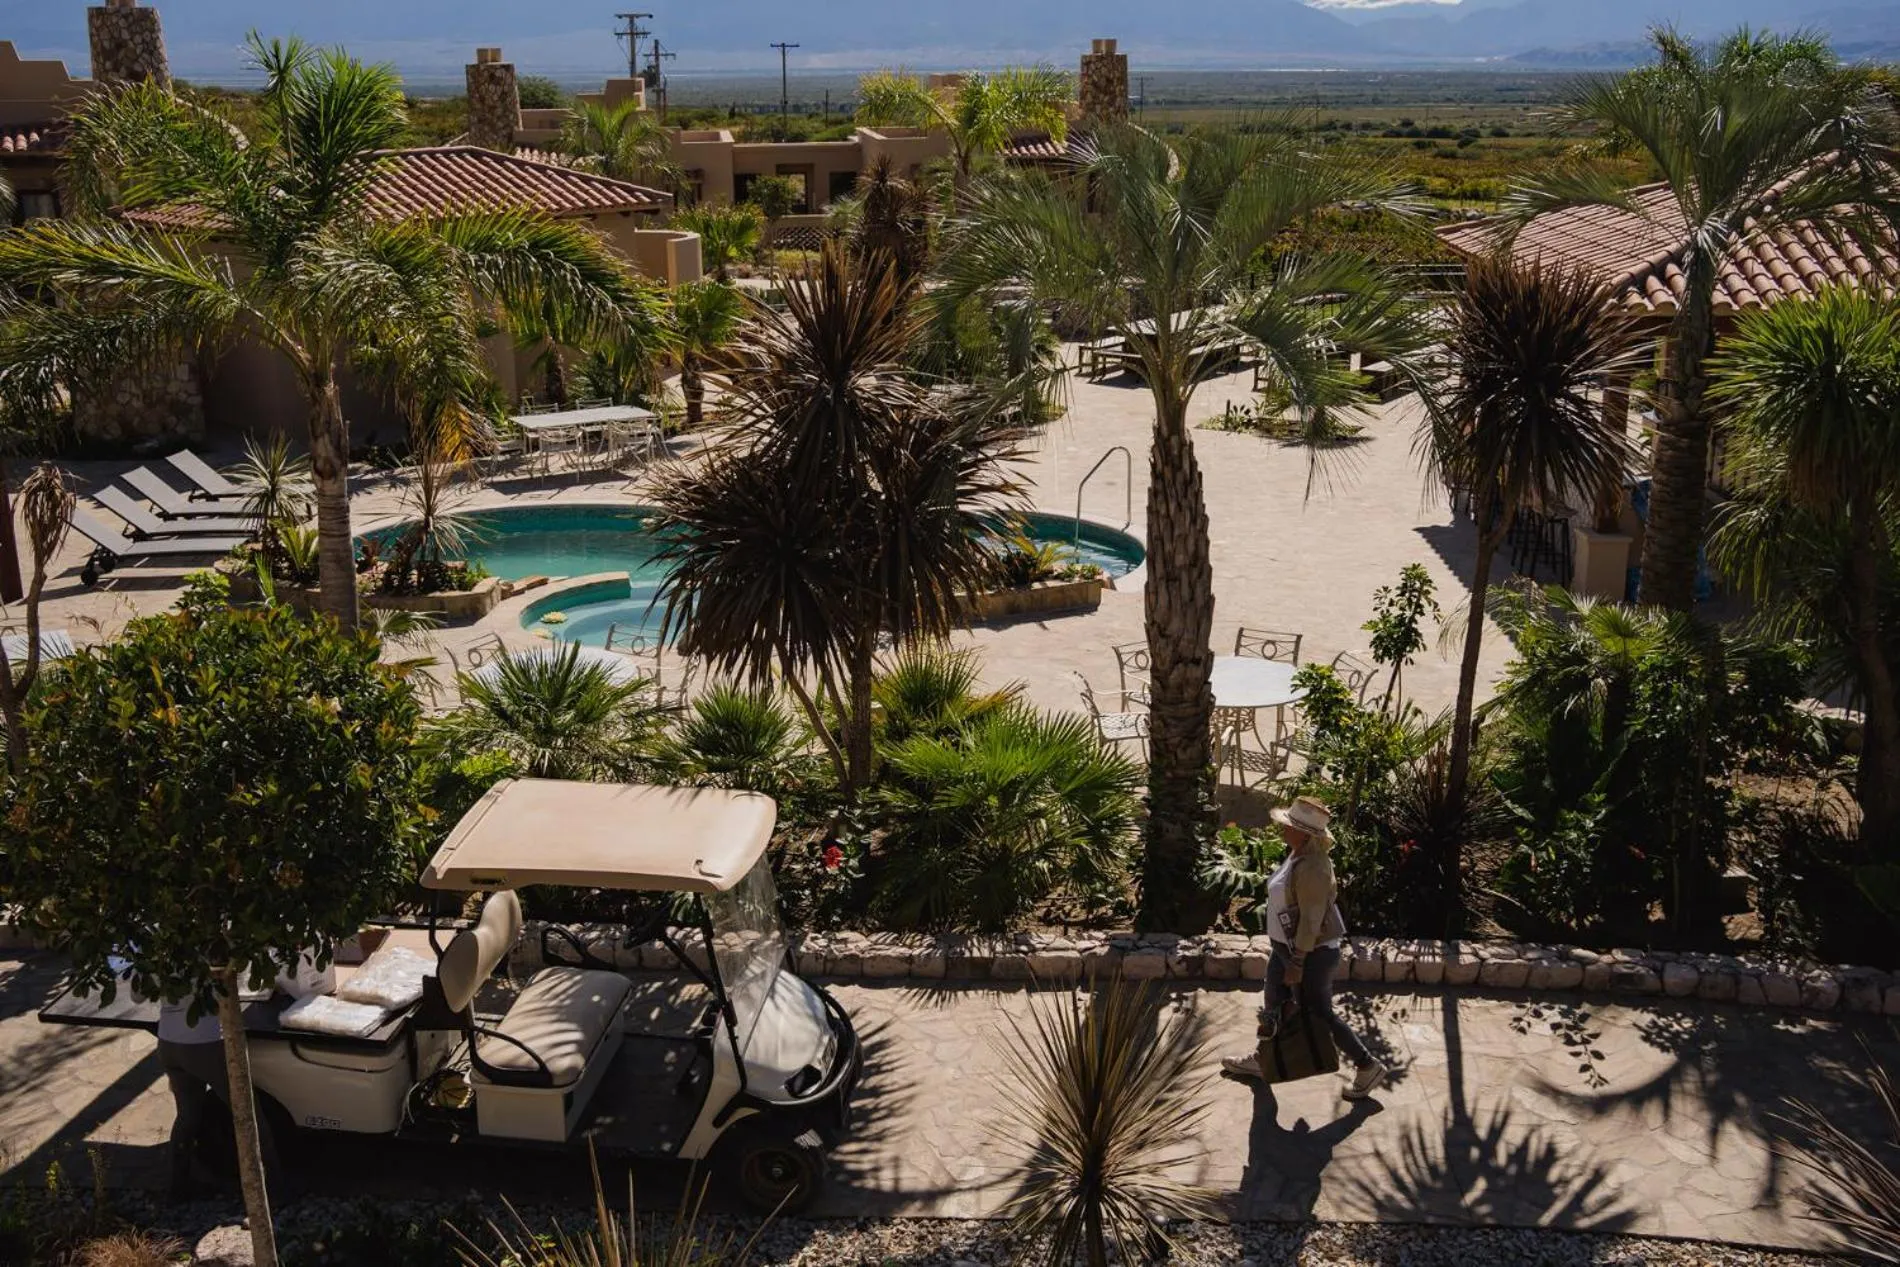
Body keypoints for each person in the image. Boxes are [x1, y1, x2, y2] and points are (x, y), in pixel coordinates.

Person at [1222, 796, 1387, 1098]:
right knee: (1273, 1001)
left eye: (1289, 826)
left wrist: (1297, 961)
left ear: (1307, 833)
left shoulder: (1314, 867)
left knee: (1319, 1012)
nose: (1282, 829)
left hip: (1310, 953)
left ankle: (1366, 1064)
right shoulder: (1298, 854)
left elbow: (1311, 920)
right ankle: (1263, 1059)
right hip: (1285, 947)